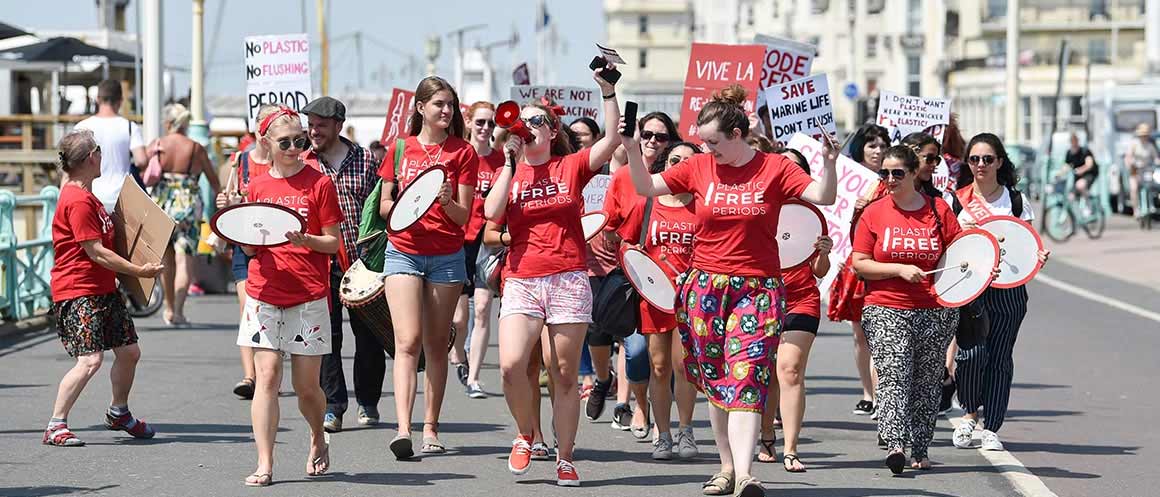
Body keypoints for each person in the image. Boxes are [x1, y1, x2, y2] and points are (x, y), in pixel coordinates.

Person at [623, 84, 838, 497]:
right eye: (704, 142)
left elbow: (823, 196)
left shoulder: (775, 167)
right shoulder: (699, 167)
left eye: (714, 142)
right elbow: (646, 187)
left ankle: (745, 474)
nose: (708, 149)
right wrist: (633, 148)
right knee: (717, 378)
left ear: (737, 135)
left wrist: (828, 163)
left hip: (758, 289)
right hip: (705, 287)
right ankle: (726, 467)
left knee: (747, 377)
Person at [483, 63, 622, 486]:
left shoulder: (571, 166)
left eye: (536, 121)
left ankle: (565, 456)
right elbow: (490, 215)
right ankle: (526, 433)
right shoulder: (511, 171)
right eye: (522, 124)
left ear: (552, 129)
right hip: (523, 278)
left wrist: (608, 92)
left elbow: (612, 139)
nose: (528, 128)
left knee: (563, 373)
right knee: (510, 366)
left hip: (567, 277)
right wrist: (509, 163)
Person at [233, 107, 343, 486]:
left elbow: (333, 243)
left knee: (306, 387)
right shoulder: (257, 186)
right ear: (266, 143)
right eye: (286, 142)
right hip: (264, 291)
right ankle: (265, 462)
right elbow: (250, 251)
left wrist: (306, 239)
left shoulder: (319, 184)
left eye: (301, 140)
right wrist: (233, 222)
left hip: (309, 296)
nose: (296, 147)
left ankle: (317, 436)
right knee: (267, 377)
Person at [378, 77, 479, 458]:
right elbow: (385, 208)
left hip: (446, 255)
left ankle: (430, 427)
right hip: (402, 250)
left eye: (450, 105)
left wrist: (446, 200)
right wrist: (406, 203)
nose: (446, 111)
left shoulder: (463, 152)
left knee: (437, 344)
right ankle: (402, 428)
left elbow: (464, 218)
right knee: (406, 341)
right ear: (420, 107)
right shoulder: (399, 149)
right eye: (439, 103)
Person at [851, 145, 968, 474]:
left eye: (897, 173)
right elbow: (860, 263)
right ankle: (895, 443)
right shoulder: (874, 213)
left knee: (928, 380)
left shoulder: (938, 209)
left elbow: (961, 255)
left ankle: (920, 446)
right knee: (893, 374)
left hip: (934, 309)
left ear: (915, 173)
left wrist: (987, 265)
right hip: (885, 306)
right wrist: (898, 269)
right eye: (884, 173)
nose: (889, 179)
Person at [43, 129, 164, 448]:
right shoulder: (77, 199)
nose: (102, 156)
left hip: (101, 289)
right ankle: (56, 424)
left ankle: (118, 412)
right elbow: (95, 251)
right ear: (88, 158)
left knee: (129, 352)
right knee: (90, 360)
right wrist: (139, 270)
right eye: (98, 150)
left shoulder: (88, 195)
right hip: (78, 290)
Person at [950, 133, 1050, 452]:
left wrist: (1039, 258)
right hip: (971, 289)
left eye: (988, 159)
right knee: (972, 354)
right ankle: (968, 414)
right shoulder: (958, 200)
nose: (981, 165)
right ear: (968, 163)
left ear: (1000, 162)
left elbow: (1030, 244)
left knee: (999, 357)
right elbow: (948, 247)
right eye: (975, 159)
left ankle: (991, 426)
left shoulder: (1016, 201)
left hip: (1009, 290)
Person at [609, 140, 702, 460]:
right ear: (664, 164)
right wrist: (629, 253)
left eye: (688, 161)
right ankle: (663, 434)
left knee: (684, 365)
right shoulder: (649, 203)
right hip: (654, 298)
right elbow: (625, 242)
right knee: (659, 368)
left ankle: (686, 431)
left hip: (691, 299)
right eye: (674, 159)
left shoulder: (703, 205)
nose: (680, 165)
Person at [589, 111, 679, 436]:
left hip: (673, 276)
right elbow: (609, 227)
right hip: (636, 276)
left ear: (671, 143)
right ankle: (641, 405)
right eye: (648, 135)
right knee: (639, 351)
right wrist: (625, 240)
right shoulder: (624, 177)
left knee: (668, 357)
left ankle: (666, 421)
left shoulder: (678, 175)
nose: (653, 141)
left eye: (662, 136)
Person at [299, 97, 383, 432]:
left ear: (338, 125)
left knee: (368, 336)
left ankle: (368, 400)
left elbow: (379, 206)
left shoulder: (365, 159)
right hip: (321, 263)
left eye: (321, 124)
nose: (314, 131)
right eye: (311, 124)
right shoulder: (304, 162)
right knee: (328, 338)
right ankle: (334, 406)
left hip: (362, 263)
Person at [759, 148, 833, 473]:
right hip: (761, 298)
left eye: (796, 168)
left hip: (802, 299)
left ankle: (790, 448)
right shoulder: (758, 206)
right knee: (766, 373)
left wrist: (823, 252)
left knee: (789, 369)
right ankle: (765, 437)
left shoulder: (811, 215)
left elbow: (819, 270)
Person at [829, 123, 890, 417]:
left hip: (881, 262)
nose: (877, 151)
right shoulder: (846, 179)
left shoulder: (893, 179)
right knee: (860, 334)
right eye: (871, 145)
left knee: (881, 331)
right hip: (852, 262)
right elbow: (832, 217)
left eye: (882, 145)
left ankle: (882, 395)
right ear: (861, 149)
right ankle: (868, 392)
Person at [219, 104, 278, 399]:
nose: (263, 134)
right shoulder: (239, 161)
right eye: (260, 127)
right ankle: (249, 376)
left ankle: (269, 368)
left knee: (273, 308)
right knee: (247, 307)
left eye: (268, 128)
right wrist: (225, 204)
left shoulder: (285, 161)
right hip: (244, 242)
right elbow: (226, 198)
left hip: (276, 244)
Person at [900, 132, 957, 415]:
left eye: (939, 159)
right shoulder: (883, 194)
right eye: (930, 158)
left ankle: (917, 422)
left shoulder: (938, 201)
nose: (935, 164)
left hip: (931, 294)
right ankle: (893, 423)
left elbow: (955, 245)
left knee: (922, 365)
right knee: (896, 364)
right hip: (892, 295)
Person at [148, 103, 220, 327]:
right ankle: (178, 311)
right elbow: (213, 179)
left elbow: (145, 169)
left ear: (168, 123)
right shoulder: (195, 148)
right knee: (184, 260)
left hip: (161, 204)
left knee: (166, 260)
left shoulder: (158, 145)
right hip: (187, 205)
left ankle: (168, 309)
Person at [456, 101, 505, 398]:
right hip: (459, 240)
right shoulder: (459, 155)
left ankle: (473, 377)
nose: (485, 128)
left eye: (490, 123)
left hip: (489, 240)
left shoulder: (501, 162)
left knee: (484, 309)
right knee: (459, 318)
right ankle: (458, 356)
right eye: (481, 123)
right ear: (470, 122)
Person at [75, 79, 147, 212]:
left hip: (90, 196)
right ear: (120, 100)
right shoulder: (130, 127)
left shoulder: (81, 127)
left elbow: (71, 163)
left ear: (98, 99)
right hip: (121, 199)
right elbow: (141, 160)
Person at [1124, 123, 1159, 219]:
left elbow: (1156, 157)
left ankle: (1151, 205)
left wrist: (1157, 162)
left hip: (1147, 170)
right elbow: (1128, 156)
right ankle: (1136, 209)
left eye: (1145, 135)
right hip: (1135, 170)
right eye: (1142, 135)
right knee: (1134, 188)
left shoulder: (1150, 145)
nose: (1144, 137)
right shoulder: (1134, 144)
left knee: (1151, 186)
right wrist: (1131, 163)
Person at [1064, 133, 1099, 199]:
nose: (1073, 142)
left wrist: (1081, 170)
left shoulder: (1085, 151)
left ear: (1077, 140)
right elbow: (1066, 165)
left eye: (1075, 140)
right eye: (1072, 141)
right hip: (1077, 178)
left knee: (1080, 185)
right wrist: (1060, 173)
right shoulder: (1069, 153)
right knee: (1071, 196)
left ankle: (1087, 205)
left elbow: (1089, 165)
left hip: (1089, 175)